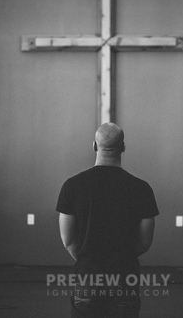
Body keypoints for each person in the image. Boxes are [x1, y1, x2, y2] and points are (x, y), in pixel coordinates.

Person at [56, 122, 159, 317]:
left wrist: (89, 260)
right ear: (123, 147)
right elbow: (145, 241)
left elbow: (68, 241)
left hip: (87, 271)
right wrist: (121, 258)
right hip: (124, 272)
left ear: (94, 146)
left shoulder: (72, 186)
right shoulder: (141, 188)